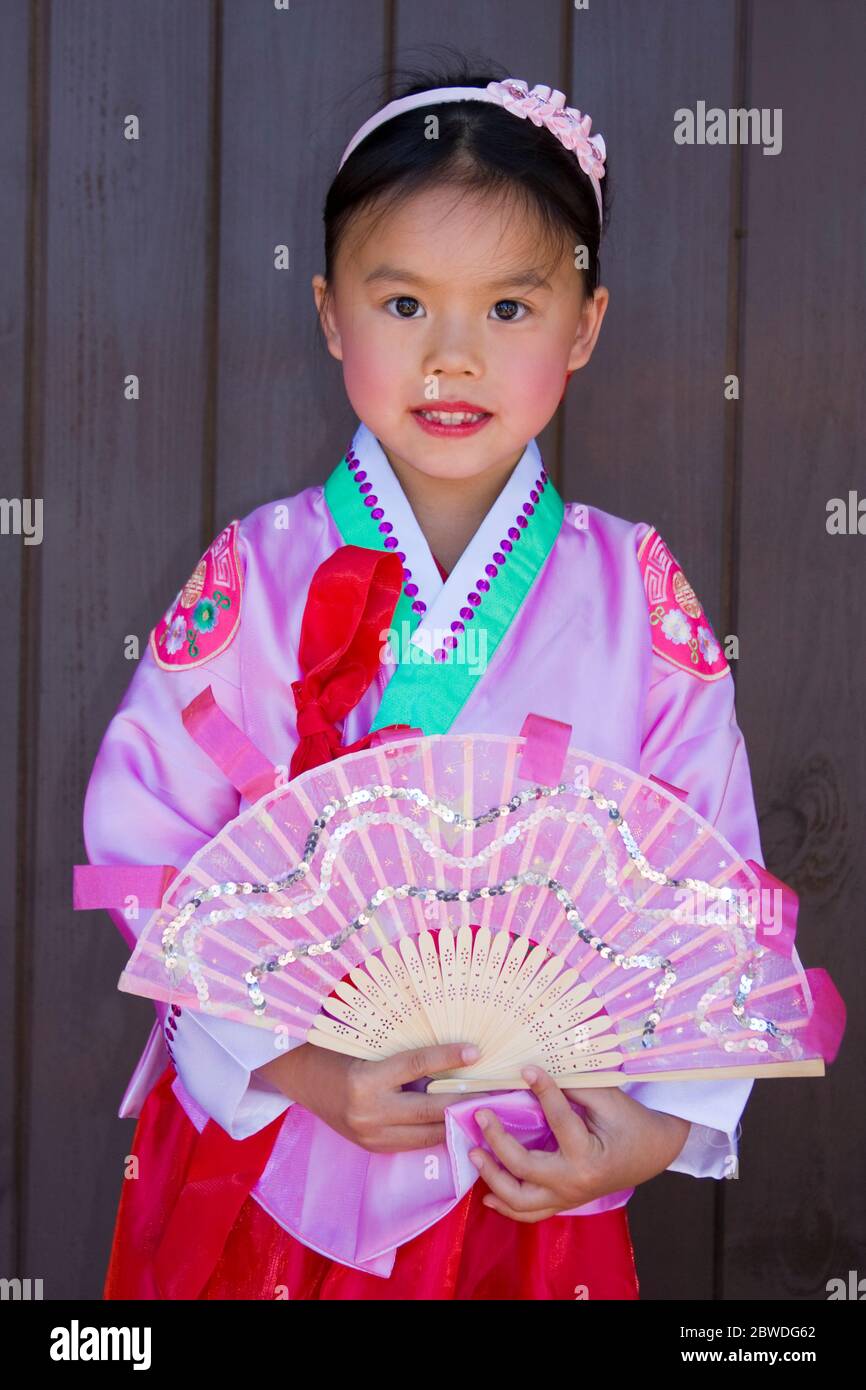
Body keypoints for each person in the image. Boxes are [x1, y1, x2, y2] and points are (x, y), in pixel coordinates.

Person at [83, 59, 768, 1301]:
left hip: (531, 1160)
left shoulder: (633, 590)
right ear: (330, 313)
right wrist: (295, 1064)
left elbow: (709, 880)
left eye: (509, 309)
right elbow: (147, 838)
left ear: (585, 323)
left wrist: (657, 1125)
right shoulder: (263, 570)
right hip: (284, 1143)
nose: (451, 357)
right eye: (403, 304)